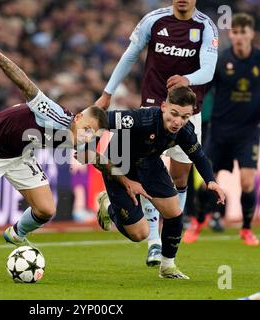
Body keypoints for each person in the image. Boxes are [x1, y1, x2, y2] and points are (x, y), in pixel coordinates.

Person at [0, 23, 132, 273]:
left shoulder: (81, 140)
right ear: (77, 118)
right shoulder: (54, 115)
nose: (88, 137)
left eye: (93, 134)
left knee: (46, 209)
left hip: (20, 154)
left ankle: (16, 234)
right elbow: (26, 84)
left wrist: (125, 181)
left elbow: (99, 159)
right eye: (87, 129)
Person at [95, 0, 218, 266]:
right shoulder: (154, 20)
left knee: (179, 177)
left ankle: (170, 232)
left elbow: (209, 69)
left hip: (186, 111)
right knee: (150, 166)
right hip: (152, 107)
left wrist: (188, 79)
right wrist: (108, 92)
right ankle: (153, 240)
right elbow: (130, 55)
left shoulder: (206, 26)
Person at [95, 86, 225, 279]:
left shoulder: (184, 130)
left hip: (149, 163)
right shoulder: (140, 119)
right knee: (139, 234)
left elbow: (198, 155)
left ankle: (167, 267)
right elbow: (96, 120)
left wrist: (211, 181)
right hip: (118, 164)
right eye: (174, 114)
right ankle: (108, 205)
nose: (178, 122)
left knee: (174, 212)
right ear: (163, 106)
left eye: (185, 117)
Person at [183, 13, 260, 246]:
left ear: (251, 34)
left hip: (248, 132)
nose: (239, 37)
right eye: (235, 32)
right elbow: (205, 91)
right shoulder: (221, 60)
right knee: (208, 180)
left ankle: (246, 229)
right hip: (219, 130)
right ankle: (197, 221)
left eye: (243, 32)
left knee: (247, 182)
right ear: (231, 34)